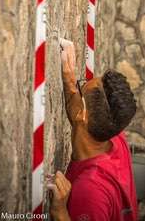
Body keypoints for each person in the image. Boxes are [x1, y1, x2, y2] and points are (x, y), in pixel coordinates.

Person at [49, 39, 138, 221]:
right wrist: (69, 80)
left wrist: (60, 213)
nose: (78, 86)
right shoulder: (115, 136)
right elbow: (82, 117)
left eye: (82, 86)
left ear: (82, 114)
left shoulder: (90, 192)